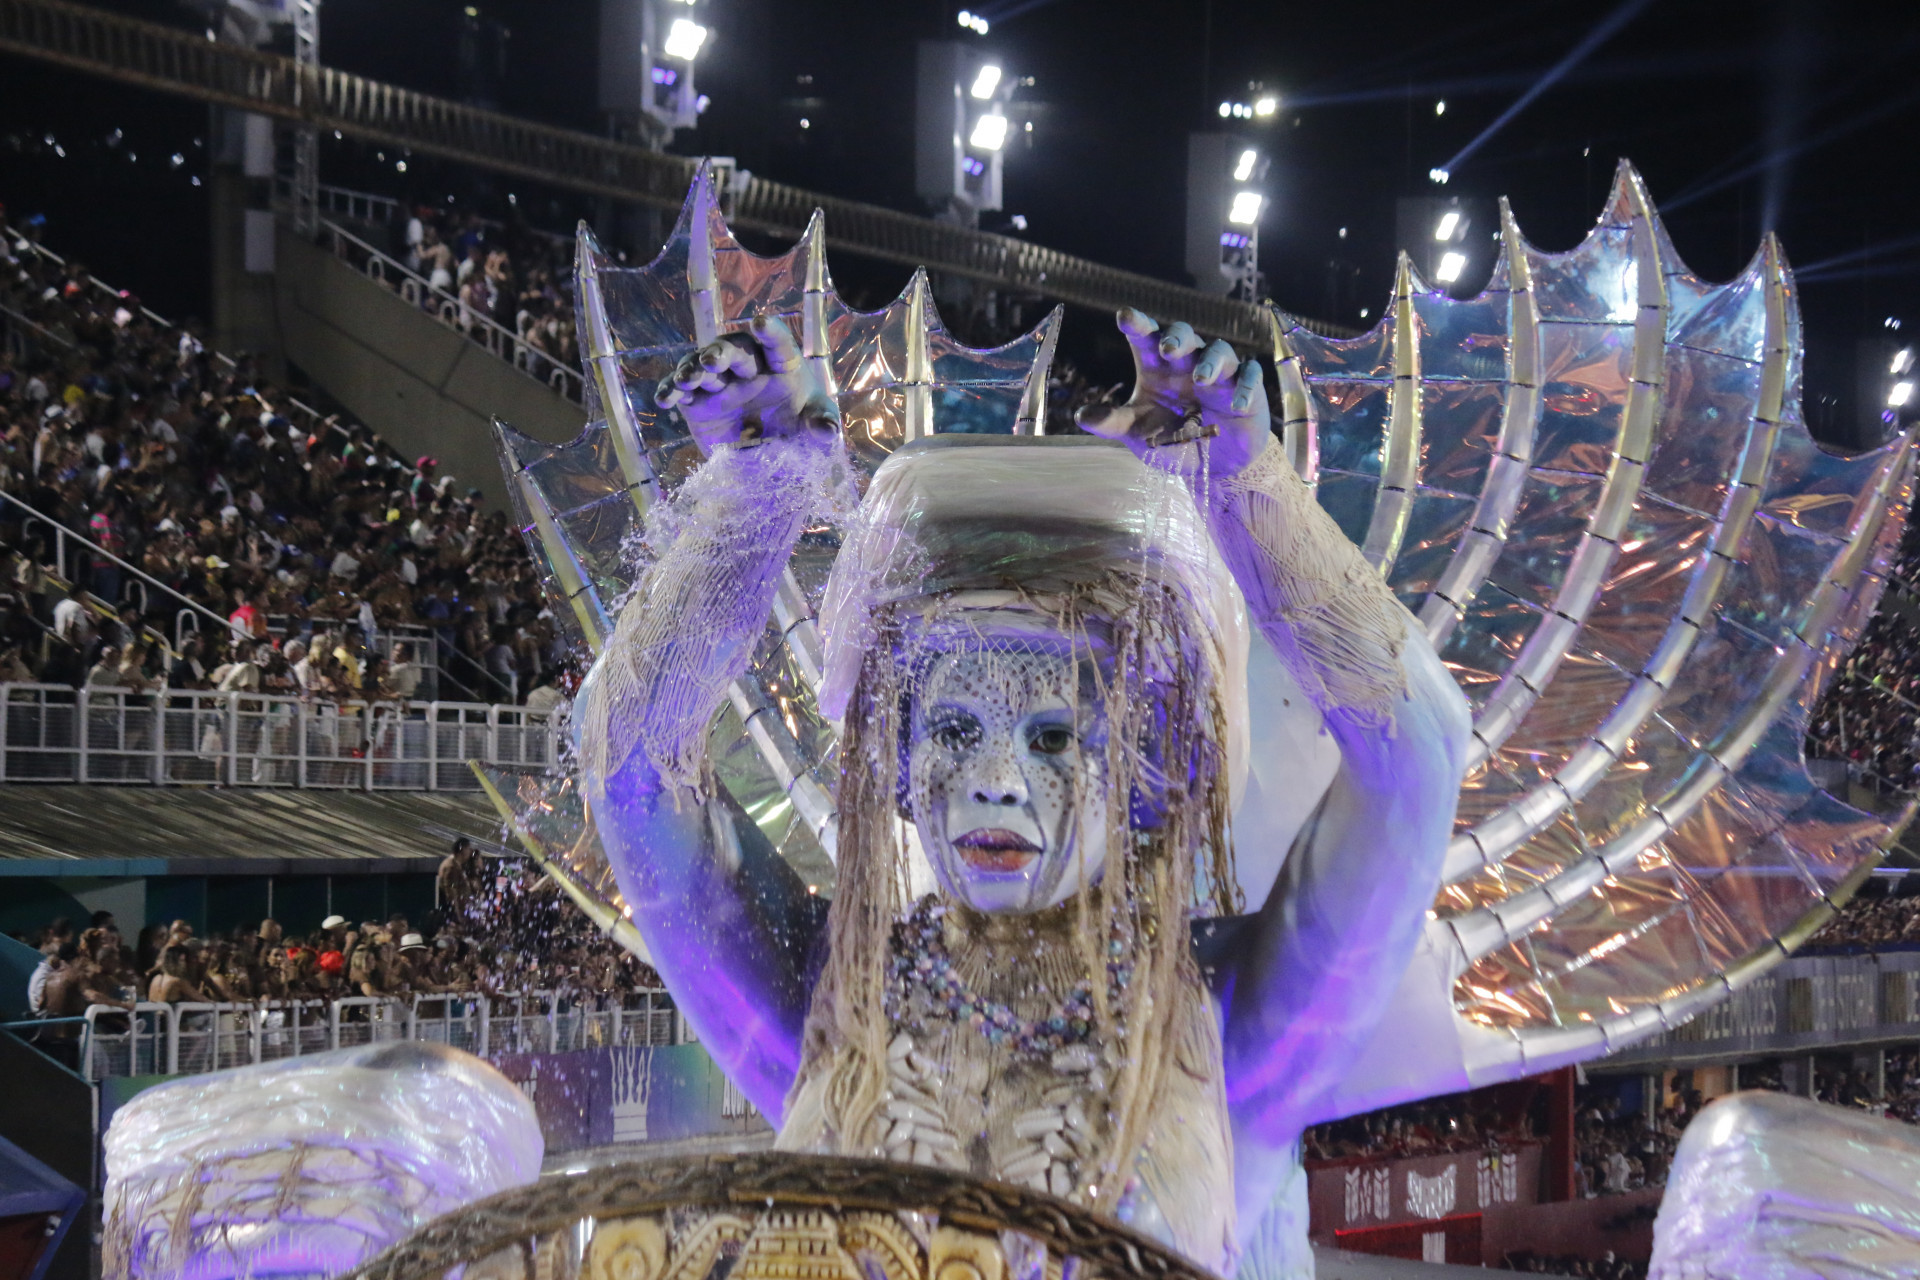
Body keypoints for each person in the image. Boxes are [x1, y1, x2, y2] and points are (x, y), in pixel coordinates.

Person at [577, 312, 1468, 1272]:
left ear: (1144, 764)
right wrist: (754, 499)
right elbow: (630, 769)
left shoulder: (1223, 1024)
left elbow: (1417, 755)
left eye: (1053, 738)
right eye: (956, 731)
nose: (997, 784)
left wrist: (1249, 495)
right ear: (899, 765)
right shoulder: (841, 999)